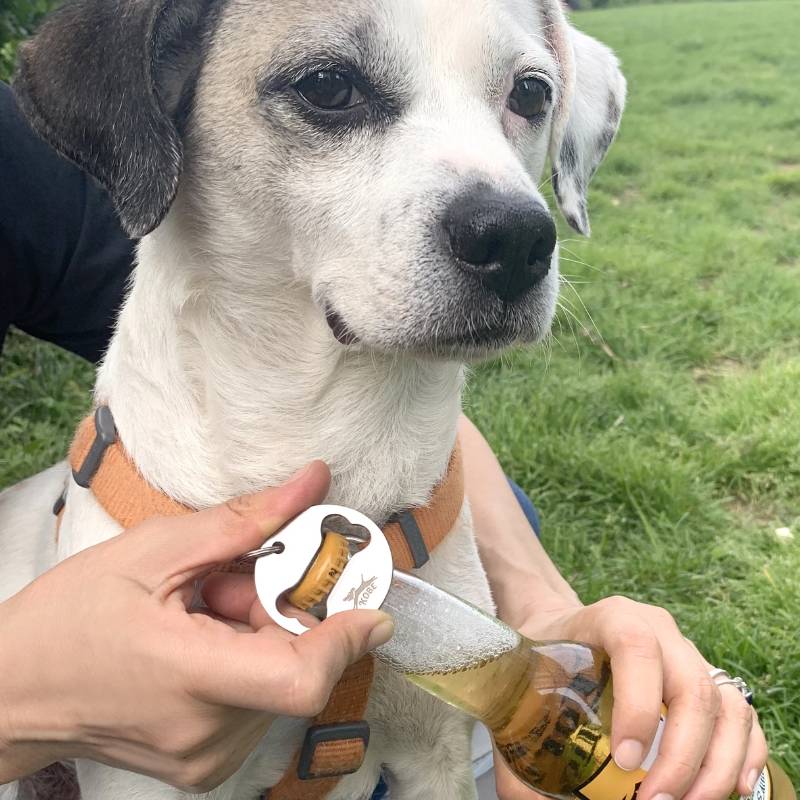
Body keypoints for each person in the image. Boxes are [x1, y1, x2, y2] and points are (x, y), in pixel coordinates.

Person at [0, 80, 766, 800]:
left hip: (386, 559)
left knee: (476, 661)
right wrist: (25, 696)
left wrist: (541, 628)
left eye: (524, 96)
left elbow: (203, 285)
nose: (510, 208)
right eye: (331, 90)